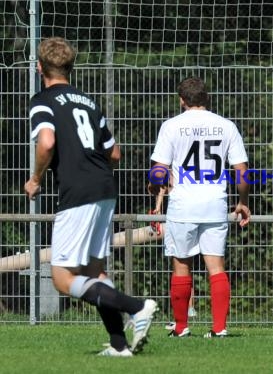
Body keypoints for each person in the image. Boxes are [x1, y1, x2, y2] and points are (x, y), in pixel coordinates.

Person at [24, 37, 157, 357]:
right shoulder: (88, 101)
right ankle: (119, 344)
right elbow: (115, 153)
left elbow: (45, 142)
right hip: (104, 188)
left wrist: (36, 178)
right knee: (94, 273)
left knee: (61, 277)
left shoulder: (42, 100)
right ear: (70, 67)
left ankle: (137, 307)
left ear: (40, 67)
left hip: (78, 191)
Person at [148, 76, 250, 338]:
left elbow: (158, 170)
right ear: (207, 98)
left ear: (181, 100)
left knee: (182, 266)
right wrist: (243, 202)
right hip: (215, 204)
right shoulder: (226, 126)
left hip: (183, 206)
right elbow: (241, 170)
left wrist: (156, 185)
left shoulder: (171, 126)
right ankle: (219, 328)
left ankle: (181, 327)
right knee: (216, 267)